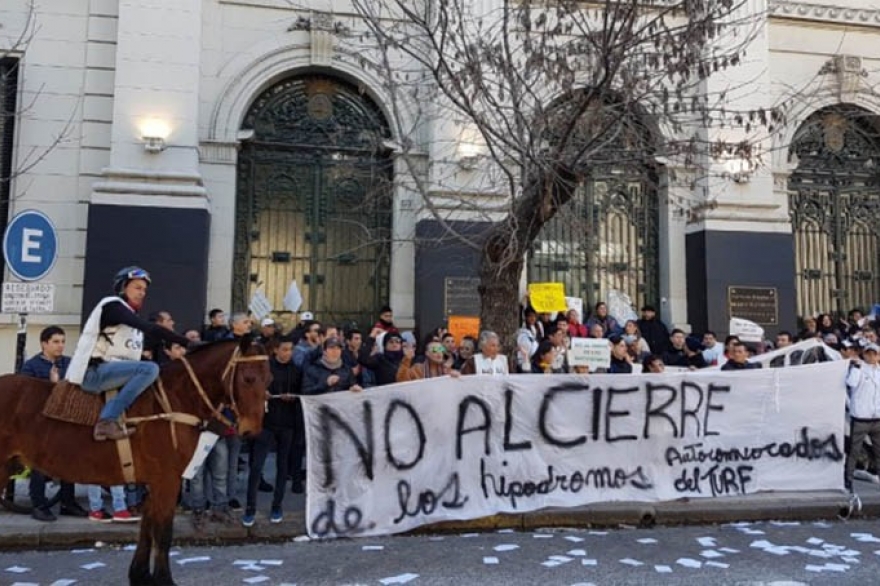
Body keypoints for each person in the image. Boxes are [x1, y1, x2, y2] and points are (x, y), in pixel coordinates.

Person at [66, 266, 190, 441]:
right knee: (149, 370)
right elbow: (150, 328)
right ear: (123, 287)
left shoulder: (129, 317)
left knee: (155, 372)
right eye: (137, 288)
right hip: (93, 373)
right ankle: (106, 421)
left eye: (144, 290)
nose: (142, 293)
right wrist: (188, 343)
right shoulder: (112, 306)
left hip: (112, 370)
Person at [21, 326, 89, 522]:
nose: (60, 346)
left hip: (65, 421)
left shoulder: (69, 363)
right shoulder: (31, 367)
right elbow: (27, 397)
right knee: (41, 464)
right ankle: (39, 505)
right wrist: (52, 385)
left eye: (63, 342)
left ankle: (68, 502)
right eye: (56, 342)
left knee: (68, 462)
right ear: (44, 344)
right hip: (41, 424)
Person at [242, 337, 299, 527]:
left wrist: (294, 398)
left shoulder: (296, 370)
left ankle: (277, 506)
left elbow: (303, 393)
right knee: (257, 466)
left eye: (290, 349)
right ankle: (250, 508)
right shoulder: (266, 368)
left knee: (283, 468)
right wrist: (262, 393)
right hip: (265, 423)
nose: (288, 353)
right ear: (275, 350)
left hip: (287, 423)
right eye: (284, 349)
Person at [845, 343, 880, 492]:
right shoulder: (858, 369)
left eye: (874, 354)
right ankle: (848, 480)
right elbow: (850, 383)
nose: (871, 356)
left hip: (877, 418)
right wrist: (857, 368)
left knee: (879, 452)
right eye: (868, 353)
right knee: (854, 451)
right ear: (864, 354)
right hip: (861, 418)